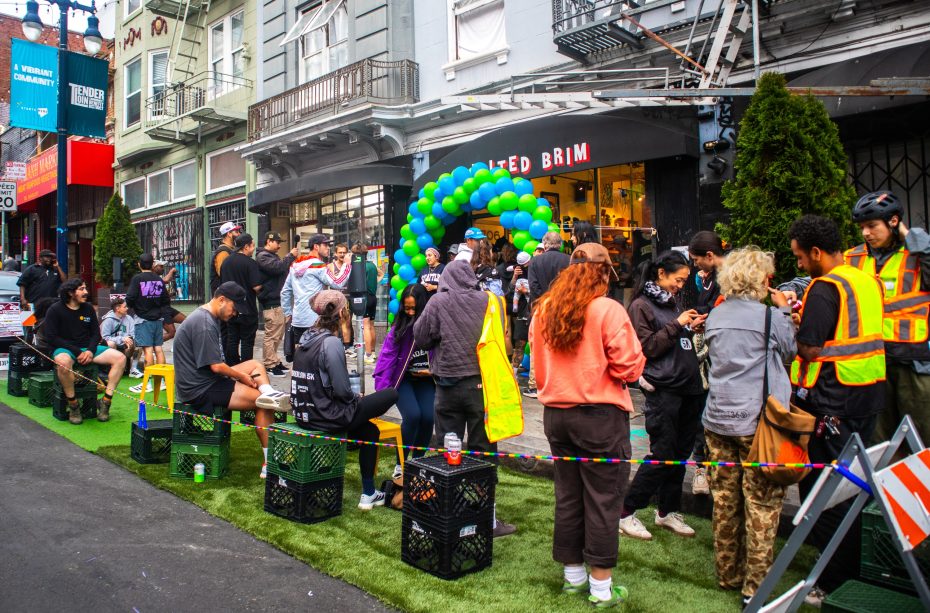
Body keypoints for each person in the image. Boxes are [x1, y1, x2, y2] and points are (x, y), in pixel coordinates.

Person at [532, 242, 645, 607]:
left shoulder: (543, 310)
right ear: (603, 272)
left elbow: (536, 366)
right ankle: (600, 588)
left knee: (568, 495)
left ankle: (574, 578)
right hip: (599, 416)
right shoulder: (607, 309)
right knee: (602, 498)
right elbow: (630, 367)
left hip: (557, 416)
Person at [788, 215, 886, 604]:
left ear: (815, 252)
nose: (798, 264)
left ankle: (831, 578)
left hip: (832, 401)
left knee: (824, 492)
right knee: (856, 485)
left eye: (799, 257)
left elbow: (811, 348)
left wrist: (793, 327)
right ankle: (858, 565)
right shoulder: (866, 278)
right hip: (868, 393)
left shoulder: (824, 288)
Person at [702, 247, 796, 605]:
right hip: (758, 421)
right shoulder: (771, 317)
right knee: (762, 504)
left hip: (718, 417)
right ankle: (755, 586)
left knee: (724, 499)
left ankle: (728, 573)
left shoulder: (716, 315)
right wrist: (785, 309)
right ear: (762, 279)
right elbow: (789, 353)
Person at [413, 260, 517, 538]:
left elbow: (421, 337)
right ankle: (488, 517)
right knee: (484, 450)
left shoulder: (437, 302)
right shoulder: (489, 301)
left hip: (446, 385)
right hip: (481, 384)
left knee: (449, 447)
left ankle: (449, 511)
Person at [620, 251, 706, 540]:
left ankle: (667, 511)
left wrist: (690, 328)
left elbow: (672, 340)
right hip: (664, 390)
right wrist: (678, 324)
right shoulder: (641, 306)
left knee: (680, 455)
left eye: (683, 281)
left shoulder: (670, 304)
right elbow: (648, 347)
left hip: (689, 389)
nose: (680, 286)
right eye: (677, 280)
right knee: (663, 453)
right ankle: (626, 510)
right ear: (661, 274)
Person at [291, 290, 399, 509]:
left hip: (306, 414)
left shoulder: (306, 338)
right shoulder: (330, 343)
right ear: (342, 313)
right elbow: (341, 390)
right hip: (328, 415)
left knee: (370, 431)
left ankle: (369, 493)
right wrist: (354, 398)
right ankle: (367, 489)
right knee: (391, 394)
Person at [173, 281, 288, 478]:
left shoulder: (207, 317)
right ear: (221, 300)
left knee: (255, 364)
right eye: (235, 308)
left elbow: (217, 366)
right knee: (263, 404)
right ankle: (270, 463)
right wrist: (241, 376)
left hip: (206, 378)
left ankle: (269, 393)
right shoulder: (204, 324)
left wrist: (241, 375)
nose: (235, 314)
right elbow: (216, 367)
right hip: (200, 388)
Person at [845, 190, 930, 446]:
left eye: (872, 225)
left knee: (922, 438)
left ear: (894, 222)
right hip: (876, 363)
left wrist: (911, 237)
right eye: (862, 227)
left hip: (914, 364)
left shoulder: (916, 255)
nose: (866, 233)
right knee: (880, 443)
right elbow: (828, 277)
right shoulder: (855, 257)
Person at [44, 279, 127, 425]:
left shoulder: (88, 308)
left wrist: (89, 351)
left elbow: (96, 334)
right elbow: (51, 337)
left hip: (88, 348)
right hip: (65, 349)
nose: (86, 292)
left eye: (85, 288)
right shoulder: (55, 309)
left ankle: (105, 402)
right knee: (63, 362)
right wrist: (77, 352)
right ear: (70, 292)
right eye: (81, 289)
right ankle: (74, 405)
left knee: (120, 358)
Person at [373, 284, 435, 476]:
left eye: (413, 308)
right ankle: (400, 463)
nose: (409, 312)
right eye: (406, 308)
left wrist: (434, 370)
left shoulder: (434, 324)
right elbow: (387, 356)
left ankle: (417, 462)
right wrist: (383, 388)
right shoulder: (399, 327)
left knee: (428, 417)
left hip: (427, 379)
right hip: (404, 379)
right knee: (413, 415)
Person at [685, 230, 727, 496]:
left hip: (722, 354)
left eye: (697, 259)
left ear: (710, 255)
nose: (695, 265)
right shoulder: (710, 278)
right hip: (709, 352)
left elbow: (720, 311)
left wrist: (703, 317)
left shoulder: (728, 280)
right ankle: (702, 469)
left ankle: (711, 469)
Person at [281, 234, 350, 354]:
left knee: (300, 356)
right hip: (316, 320)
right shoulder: (318, 266)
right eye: (325, 245)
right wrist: (347, 265)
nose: (328, 248)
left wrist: (288, 313)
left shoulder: (294, 266)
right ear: (316, 247)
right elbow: (338, 283)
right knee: (317, 355)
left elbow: (285, 292)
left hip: (298, 320)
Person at [525, 231, 571, 398]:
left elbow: (534, 287)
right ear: (560, 244)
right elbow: (570, 286)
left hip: (541, 309)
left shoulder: (535, 261)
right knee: (562, 344)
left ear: (544, 244)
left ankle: (535, 384)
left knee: (537, 346)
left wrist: (545, 301)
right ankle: (560, 382)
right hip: (564, 308)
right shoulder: (568, 259)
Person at [256, 231, 298, 377]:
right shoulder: (263, 256)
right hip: (271, 301)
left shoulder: (271, 256)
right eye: (277, 242)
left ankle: (274, 360)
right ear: (269, 241)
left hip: (277, 300)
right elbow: (278, 268)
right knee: (272, 334)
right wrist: (290, 256)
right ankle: (269, 364)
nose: (279, 245)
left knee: (277, 334)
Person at [126, 254, 169, 392]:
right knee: (158, 349)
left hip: (143, 319)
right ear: (152, 265)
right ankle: (162, 380)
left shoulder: (137, 279)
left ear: (139, 264)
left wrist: (136, 307)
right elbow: (165, 300)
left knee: (148, 351)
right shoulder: (158, 279)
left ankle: (149, 382)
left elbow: (130, 298)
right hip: (157, 319)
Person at [220, 233, 263, 365]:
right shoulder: (250, 263)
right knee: (247, 342)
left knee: (232, 339)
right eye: (252, 246)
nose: (253, 249)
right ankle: (246, 368)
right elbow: (256, 286)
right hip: (247, 308)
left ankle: (232, 367)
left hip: (229, 308)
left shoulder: (226, 262)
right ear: (246, 246)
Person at [352, 243, 385, 364]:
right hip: (372, 297)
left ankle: (368, 355)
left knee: (365, 326)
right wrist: (375, 282)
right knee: (371, 325)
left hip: (364, 298)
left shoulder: (359, 266)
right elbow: (381, 274)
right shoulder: (372, 265)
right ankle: (373, 352)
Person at [509, 252, 531, 374]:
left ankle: (536, 379)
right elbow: (510, 291)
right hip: (522, 313)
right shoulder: (518, 271)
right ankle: (514, 376)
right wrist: (514, 276)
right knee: (519, 346)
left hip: (535, 312)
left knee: (538, 348)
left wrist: (526, 291)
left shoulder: (536, 270)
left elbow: (542, 291)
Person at [153, 260, 186, 342]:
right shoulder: (152, 277)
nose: (162, 268)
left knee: (187, 321)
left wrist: (171, 294)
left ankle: (182, 343)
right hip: (162, 310)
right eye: (160, 266)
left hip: (167, 308)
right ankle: (152, 344)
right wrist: (171, 271)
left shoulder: (157, 277)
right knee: (171, 333)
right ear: (154, 267)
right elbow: (166, 280)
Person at [331, 243, 355, 356]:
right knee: (335, 324)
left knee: (346, 322)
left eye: (344, 252)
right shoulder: (330, 266)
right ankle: (335, 345)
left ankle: (347, 347)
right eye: (339, 252)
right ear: (335, 253)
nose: (342, 254)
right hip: (334, 299)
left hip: (347, 298)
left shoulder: (351, 265)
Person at [100, 297, 136, 364]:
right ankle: (112, 365)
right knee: (111, 344)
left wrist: (130, 340)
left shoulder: (129, 318)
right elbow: (105, 338)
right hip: (114, 345)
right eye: (125, 307)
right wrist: (122, 339)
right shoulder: (108, 320)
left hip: (125, 345)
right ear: (118, 309)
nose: (127, 308)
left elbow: (133, 333)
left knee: (138, 347)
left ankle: (132, 368)